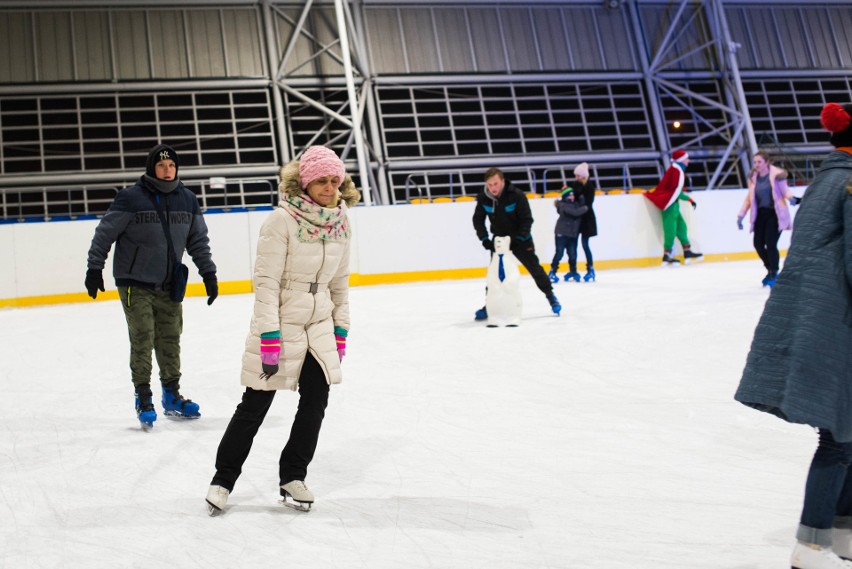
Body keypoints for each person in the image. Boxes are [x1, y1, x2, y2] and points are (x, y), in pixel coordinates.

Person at [206, 145, 360, 515]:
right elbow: (266, 283)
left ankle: (293, 475)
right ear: (305, 183)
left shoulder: (341, 222)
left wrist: (341, 329)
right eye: (320, 180)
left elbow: (340, 283)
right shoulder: (282, 221)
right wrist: (269, 336)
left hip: (319, 323)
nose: (328, 187)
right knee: (256, 402)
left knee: (316, 400)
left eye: (333, 180)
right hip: (281, 320)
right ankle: (223, 480)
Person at [734, 102, 852, 569]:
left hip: (816, 318)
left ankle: (841, 530)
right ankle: (812, 545)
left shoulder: (828, 177)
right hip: (836, 322)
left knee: (847, 431)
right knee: (839, 439)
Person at [85, 144, 218, 428]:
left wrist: (208, 273)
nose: (167, 170)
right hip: (135, 283)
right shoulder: (130, 198)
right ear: (151, 168)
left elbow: (198, 241)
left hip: (170, 282)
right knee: (143, 336)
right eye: (161, 166)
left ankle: (171, 396)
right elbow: (104, 233)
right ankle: (143, 396)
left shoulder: (188, 200)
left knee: (170, 338)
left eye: (171, 166)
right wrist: (94, 268)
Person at [473, 167, 561, 319]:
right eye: (489, 185)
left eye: (495, 184)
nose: (493, 188)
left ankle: (551, 296)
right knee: (495, 275)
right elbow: (477, 220)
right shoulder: (483, 198)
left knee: (535, 269)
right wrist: (484, 239)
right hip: (499, 241)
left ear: (502, 181)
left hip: (521, 239)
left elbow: (527, 220)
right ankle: (489, 305)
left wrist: (518, 239)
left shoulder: (517, 195)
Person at [737, 151, 801, 287]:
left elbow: (785, 191)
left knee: (771, 244)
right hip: (760, 215)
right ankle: (770, 269)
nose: (756, 165)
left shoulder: (777, 175)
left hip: (775, 214)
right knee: (758, 244)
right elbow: (749, 198)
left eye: (759, 162)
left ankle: (774, 272)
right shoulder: (753, 178)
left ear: (767, 162)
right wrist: (741, 215)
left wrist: (792, 199)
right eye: (754, 162)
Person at [644, 149, 703, 265]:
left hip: (674, 205)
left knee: (682, 227)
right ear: (681, 160)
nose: (688, 161)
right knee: (670, 231)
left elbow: (675, 191)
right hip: (669, 206)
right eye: (686, 159)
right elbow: (673, 191)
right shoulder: (676, 171)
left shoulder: (676, 170)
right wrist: (688, 199)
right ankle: (666, 255)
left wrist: (688, 199)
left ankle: (687, 252)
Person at [548, 186, 588, 284]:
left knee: (572, 254)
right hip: (561, 233)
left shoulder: (575, 204)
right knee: (559, 253)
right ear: (565, 196)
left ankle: (573, 271)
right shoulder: (563, 205)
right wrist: (585, 207)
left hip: (572, 234)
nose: (572, 197)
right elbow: (575, 213)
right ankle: (552, 271)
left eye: (573, 195)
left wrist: (582, 203)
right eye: (570, 195)